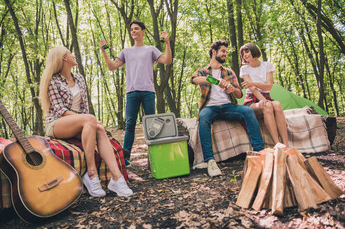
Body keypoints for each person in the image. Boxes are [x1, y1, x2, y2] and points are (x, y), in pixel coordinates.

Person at [39, 45, 133, 198]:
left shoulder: (80, 79)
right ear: (63, 58)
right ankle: (91, 174)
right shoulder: (52, 81)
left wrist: (90, 121)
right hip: (57, 123)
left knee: (99, 129)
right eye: (70, 53)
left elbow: (84, 108)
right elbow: (59, 110)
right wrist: (88, 120)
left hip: (81, 124)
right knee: (91, 120)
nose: (73, 55)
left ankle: (117, 179)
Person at [99, 19, 172, 166]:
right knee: (130, 125)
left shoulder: (151, 49)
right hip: (132, 93)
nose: (133, 31)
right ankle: (126, 159)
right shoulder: (126, 51)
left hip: (148, 92)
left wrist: (167, 43)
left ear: (143, 31)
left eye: (137, 28)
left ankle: (155, 158)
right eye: (132, 29)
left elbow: (167, 60)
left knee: (152, 125)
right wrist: (103, 51)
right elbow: (112, 67)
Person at [190, 40, 264, 177]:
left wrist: (232, 89)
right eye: (223, 51)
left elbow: (240, 93)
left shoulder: (229, 72)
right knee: (203, 117)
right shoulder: (203, 71)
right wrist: (213, 80)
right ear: (214, 52)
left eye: (226, 52)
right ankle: (210, 161)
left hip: (228, 107)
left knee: (248, 111)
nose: (225, 54)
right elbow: (194, 79)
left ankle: (260, 152)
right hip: (210, 108)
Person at [239, 43, 289, 148]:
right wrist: (263, 100)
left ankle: (286, 144)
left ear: (254, 50)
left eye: (247, 52)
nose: (245, 55)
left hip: (266, 96)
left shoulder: (267, 65)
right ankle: (277, 144)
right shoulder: (244, 69)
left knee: (278, 104)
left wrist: (254, 83)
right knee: (268, 106)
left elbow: (268, 87)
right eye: (243, 54)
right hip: (251, 100)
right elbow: (252, 89)